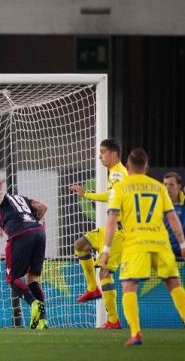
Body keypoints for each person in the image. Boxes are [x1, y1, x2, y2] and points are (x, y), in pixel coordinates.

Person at [100, 148, 185, 346]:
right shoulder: (158, 187)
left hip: (135, 244)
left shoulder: (120, 188)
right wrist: (183, 245)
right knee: (174, 283)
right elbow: (172, 217)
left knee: (129, 287)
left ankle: (136, 333)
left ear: (128, 166)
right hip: (161, 242)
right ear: (146, 167)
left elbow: (112, 220)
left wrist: (106, 250)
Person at [0, 181, 49, 330]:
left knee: (12, 279)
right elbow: (43, 207)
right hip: (39, 232)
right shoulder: (21, 199)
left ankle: (34, 303)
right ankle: (43, 321)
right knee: (32, 278)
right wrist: (32, 222)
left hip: (19, 235)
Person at [70, 138, 127, 329]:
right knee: (80, 245)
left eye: (103, 152)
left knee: (105, 272)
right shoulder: (115, 173)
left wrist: (87, 194)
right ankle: (92, 289)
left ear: (114, 154)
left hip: (119, 233)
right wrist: (87, 194)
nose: (100, 156)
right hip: (110, 229)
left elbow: (112, 197)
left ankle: (113, 320)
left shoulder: (118, 173)